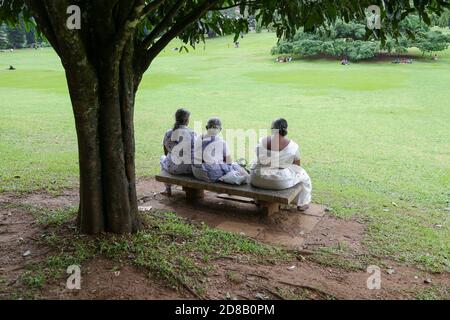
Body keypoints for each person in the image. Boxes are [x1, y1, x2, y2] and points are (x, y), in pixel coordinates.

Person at [250, 119, 312, 211]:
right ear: (285, 130)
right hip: (279, 182)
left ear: (272, 129)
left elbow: (258, 157)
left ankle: (258, 200)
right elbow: (297, 166)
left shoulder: (261, 140)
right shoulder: (293, 146)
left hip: (257, 178)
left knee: (254, 162)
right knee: (304, 175)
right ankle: (302, 203)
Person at [191, 118, 248, 184]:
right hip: (210, 175)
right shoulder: (221, 141)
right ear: (220, 129)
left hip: (196, 172)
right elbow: (229, 161)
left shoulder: (199, 137)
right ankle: (247, 177)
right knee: (234, 166)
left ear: (206, 127)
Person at [160, 108, 196, 196]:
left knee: (162, 158)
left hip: (173, 168)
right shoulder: (192, 133)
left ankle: (167, 189)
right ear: (187, 120)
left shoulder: (169, 133)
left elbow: (165, 150)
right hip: (189, 169)